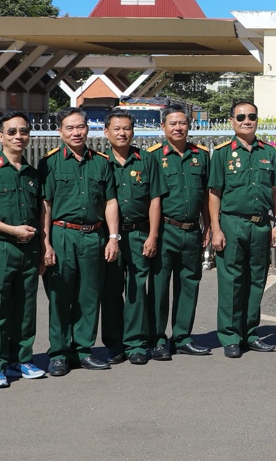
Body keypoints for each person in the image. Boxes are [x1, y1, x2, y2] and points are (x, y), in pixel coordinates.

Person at [41, 106, 120, 376]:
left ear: (89, 128)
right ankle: (60, 353)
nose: (76, 132)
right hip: (63, 234)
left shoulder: (101, 162)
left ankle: (84, 349)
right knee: (60, 296)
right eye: (70, 128)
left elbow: (110, 201)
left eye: (80, 127)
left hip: (94, 235)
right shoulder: (50, 163)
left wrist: (113, 238)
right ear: (60, 131)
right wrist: (46, 243)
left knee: (89, 296)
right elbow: (46, 205)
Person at [0, 110, 48, 386]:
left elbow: (41, 212)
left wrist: (42, 247)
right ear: (0, 136)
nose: (19, 136)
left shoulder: (33, 174)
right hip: (0, 247)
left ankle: (22, 360)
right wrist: (11, 230)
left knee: (26, 307)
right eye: (12, 131)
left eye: (24, 131)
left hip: (28, 250)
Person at [208, 100, 276, 357]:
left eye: (251, 116)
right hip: (232, 222)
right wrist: (216, 229)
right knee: (231, 281)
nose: (246, 121)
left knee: (256, 280)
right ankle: (230, 337)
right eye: (241, 117)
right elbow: (214, 193)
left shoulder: (269, 153)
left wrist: (275, 224)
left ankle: (250, 333)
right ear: (232, 121)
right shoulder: (223, 152)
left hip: (260, 223)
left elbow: (275, 191)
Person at [149, 107, 212, 358]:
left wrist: (208, 226)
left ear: (189, 126)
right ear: (163, 127)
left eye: (183, 123)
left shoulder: (201, 156)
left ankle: (183, 336)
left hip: (192, 231)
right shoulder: (153, 156)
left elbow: (207, 195)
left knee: (189, 284)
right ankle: (156, 338)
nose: (178, 128)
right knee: (159, 286)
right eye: (173, 123)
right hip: (165, 230)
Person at [105, 109, 167, 365]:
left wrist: (152, 235)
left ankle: (136, 344)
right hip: (110, 237)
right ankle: (114, 344)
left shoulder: (146, 159)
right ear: (106, 132)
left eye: (127, 128)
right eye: (117, 129)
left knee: (137, 291)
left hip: (139, 232)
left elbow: (155, 199)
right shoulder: (99, 160)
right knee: (110, 291)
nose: (122, 133)